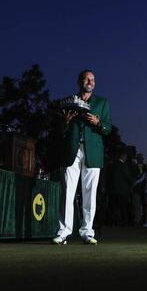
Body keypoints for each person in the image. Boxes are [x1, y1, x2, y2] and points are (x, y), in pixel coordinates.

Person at [53, 70, 112, 245]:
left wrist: (98, 123)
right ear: (79, 81)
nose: (90, 81)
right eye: (87, 79)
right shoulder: (68, 101)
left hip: (93, 152)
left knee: (89, 194)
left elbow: (108, 129)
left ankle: (87, 232)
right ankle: (63, 232)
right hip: (72, 150)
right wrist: (65, 122)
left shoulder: (102, 103)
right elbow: (58, 131)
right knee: (67, 193)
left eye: (92, 79)